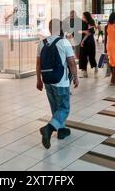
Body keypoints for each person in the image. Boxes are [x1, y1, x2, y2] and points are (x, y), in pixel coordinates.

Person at [36, 19, 79, 149]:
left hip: (48, 79)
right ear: (61, 28)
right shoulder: (64, 42)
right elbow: (71, 62)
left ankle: (61, 130)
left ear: (49, 29)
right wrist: (76, 77)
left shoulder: (42, 43)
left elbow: (38, 64)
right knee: (64, 108)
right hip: (61, 81)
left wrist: (39, 79)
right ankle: (48, 129)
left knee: (55, 107)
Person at [104, 12, 115, 85]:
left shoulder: (106, 26)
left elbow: (105, 38)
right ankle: (112, 78)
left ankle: (113, 77)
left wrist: (104, 48)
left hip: (108, 45)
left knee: (112, 61)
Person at [78, 12, 97, 78]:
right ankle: (85, 72)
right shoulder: (82, 22)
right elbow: (80, 31)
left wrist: (83, 40)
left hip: (89, 41)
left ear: (86, 16)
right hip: (85, 41)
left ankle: (95, 67)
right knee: (83, 56)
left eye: (83, 16)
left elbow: (89, 33)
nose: (82, 17)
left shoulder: (91, 22)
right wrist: (83, 31)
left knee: (91, 55)